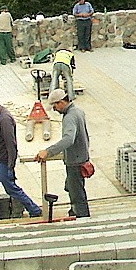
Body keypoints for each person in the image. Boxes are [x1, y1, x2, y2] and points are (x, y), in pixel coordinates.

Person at [0, 91, 42, 220]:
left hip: (2, 162)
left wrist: (10, 167)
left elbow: (11, 145)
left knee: (11, 189)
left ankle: (34, 210)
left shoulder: (4, 119)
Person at [35, 89, 91, 218]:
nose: (54, 109)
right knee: (72, 189)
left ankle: (83, 219)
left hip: (75, 162)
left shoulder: (70, 117)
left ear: (61, 102)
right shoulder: (78, 111)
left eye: (55, 106)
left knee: (77, 195)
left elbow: (68, 139)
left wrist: (48, 151)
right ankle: (74, 212)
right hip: (81, 158)